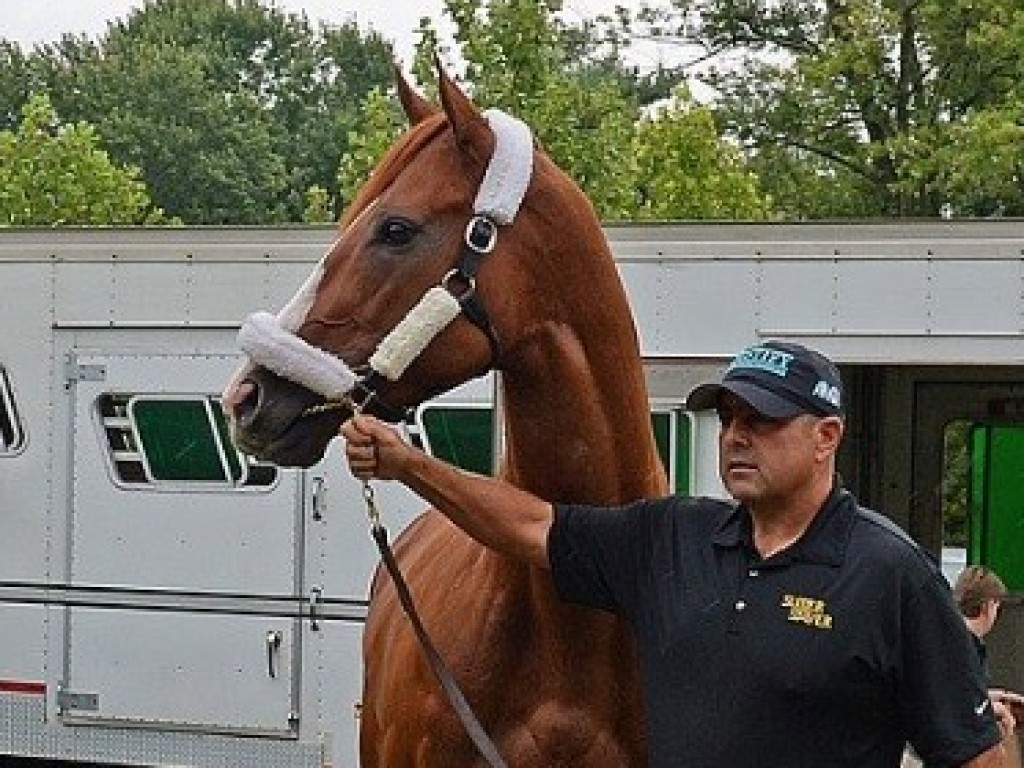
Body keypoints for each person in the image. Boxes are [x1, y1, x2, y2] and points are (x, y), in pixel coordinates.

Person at [341, 340, 1007, 767]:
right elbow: (529, 525)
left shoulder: (889, 573)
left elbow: (972, 756)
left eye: (764, 421)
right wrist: (407, 464)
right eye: (731, 420)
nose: (738, 437)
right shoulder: (673, 539)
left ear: (826, 436)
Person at [955, 566, 1024, 743]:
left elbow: (960, 693)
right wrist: (998, 710)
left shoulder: (952, 638)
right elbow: (958, 706)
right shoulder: (966, 647)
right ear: (988, 605)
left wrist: (994, 696)